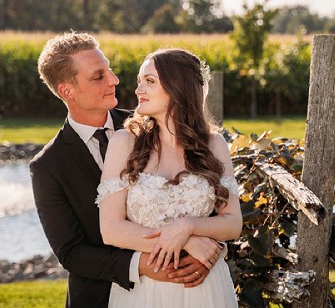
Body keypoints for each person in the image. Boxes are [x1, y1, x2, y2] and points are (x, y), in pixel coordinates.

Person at [30, 32, 221, 308]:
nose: (114, 80)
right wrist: (142, 264)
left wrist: (210, 249)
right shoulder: (48, 166)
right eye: (98, 76)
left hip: (187, 288)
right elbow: (72, 252)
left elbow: (207, 197)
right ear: (66, 91)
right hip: (101, 298)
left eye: (109, 69)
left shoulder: (153, 123)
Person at [97, 48, 243, 307]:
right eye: (139, 81)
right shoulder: (124, 142)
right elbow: (111, 230)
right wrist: (187, 244)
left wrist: (187, 227)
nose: (138, 89)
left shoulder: (214, 144)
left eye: (149, 81)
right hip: (146, 291)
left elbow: (233, 224)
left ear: (178, 87)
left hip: (205, 289)